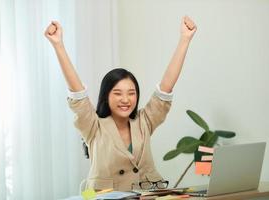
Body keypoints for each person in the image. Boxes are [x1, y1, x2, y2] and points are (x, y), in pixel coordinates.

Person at [44, 16, 196, 191]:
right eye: (117, 93)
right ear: (106, 96)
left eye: (131, 93)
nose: (126, 99)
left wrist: (184, 40)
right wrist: (58, 45)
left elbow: (165, 88)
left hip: (148, 195)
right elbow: (78, 95)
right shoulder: (93, 126)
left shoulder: (144, 121)